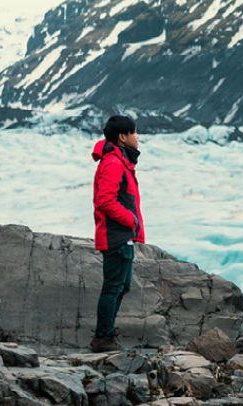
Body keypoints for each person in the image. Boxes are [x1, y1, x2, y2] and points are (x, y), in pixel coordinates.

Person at [89, 115, 145, 352]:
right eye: (134, 132)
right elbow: (105, 201)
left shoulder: (121, 161)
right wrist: (130, 220)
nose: (137, 137)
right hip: (116, 235)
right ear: (123, 137)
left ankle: (107, 333)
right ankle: (103, 337)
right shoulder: (113, 163)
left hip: (123, 235)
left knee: (122, 286)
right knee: (113, 286)